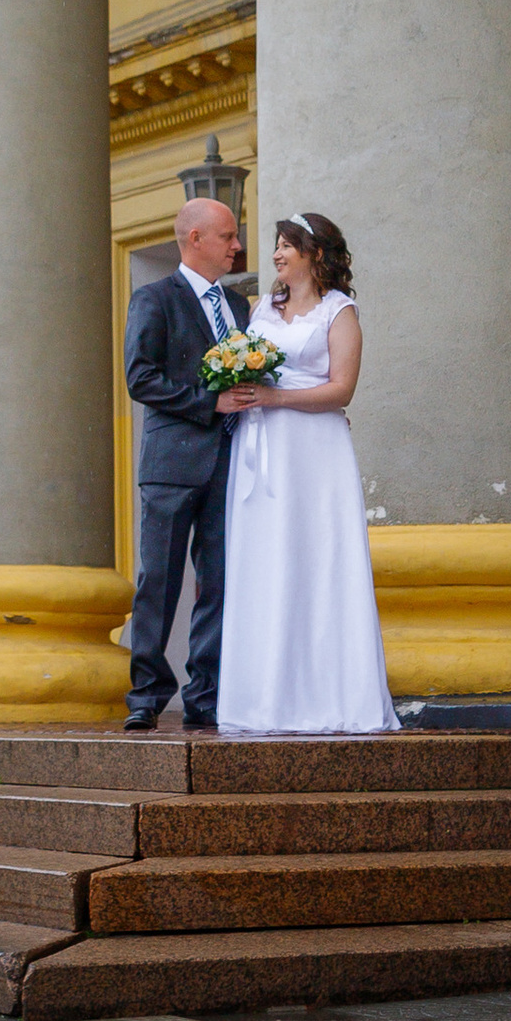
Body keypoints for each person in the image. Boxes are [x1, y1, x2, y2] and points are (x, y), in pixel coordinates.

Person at [212, 209, 396, 735]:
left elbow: (342, 389)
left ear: (315, 254)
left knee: (317, 561)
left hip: (316, 451)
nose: (276, 254)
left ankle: (329, 695)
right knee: (266, 561)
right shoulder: (261, 310)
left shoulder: (340, 313)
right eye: (276, 245)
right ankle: (263, 699)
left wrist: (274, 395)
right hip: (263, 444)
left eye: (287, 245)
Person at [121, 191, 248, 734]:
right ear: (195, 239)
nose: (237, 248)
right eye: (228, 237)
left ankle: (207, 693)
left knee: (219, 581)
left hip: (230, 462)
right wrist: (208, 401)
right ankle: (146, 693)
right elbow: (140, 377)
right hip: (172, 465)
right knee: (160, 579)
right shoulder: (155, 298)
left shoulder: (241, 307)